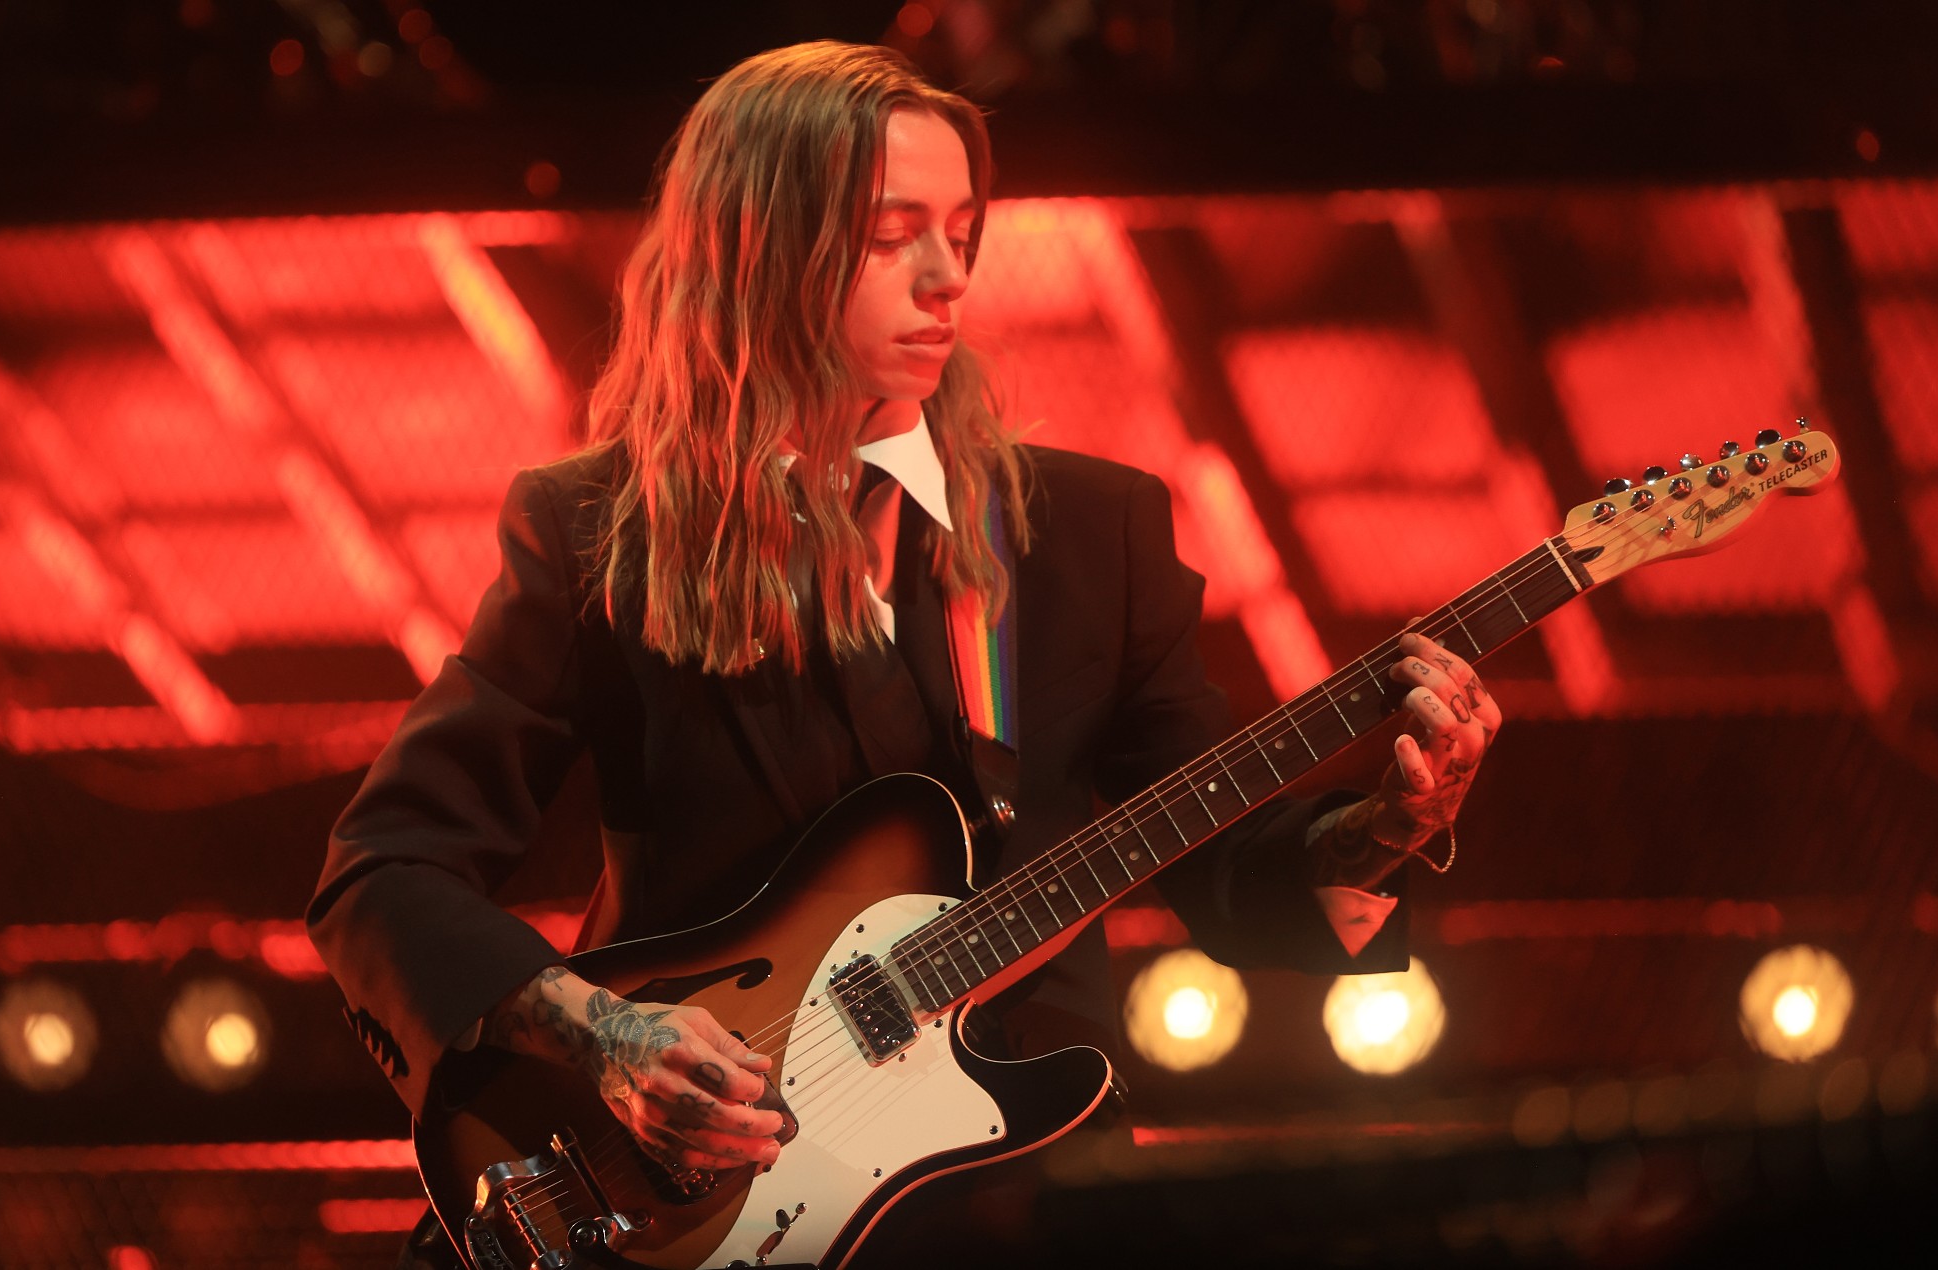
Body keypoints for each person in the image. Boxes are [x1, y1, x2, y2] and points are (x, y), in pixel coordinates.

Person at [306, 38, 1500, 1266]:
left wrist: (1383, 831)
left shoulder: (1089, 534)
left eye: (961, 231)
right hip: (696, 1208)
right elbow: (383, 871)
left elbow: (1223, 869)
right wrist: (604, 1038)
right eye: (890, 238)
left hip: (1020, 1205)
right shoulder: (601, 531)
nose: (946, 279)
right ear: (758, 252)